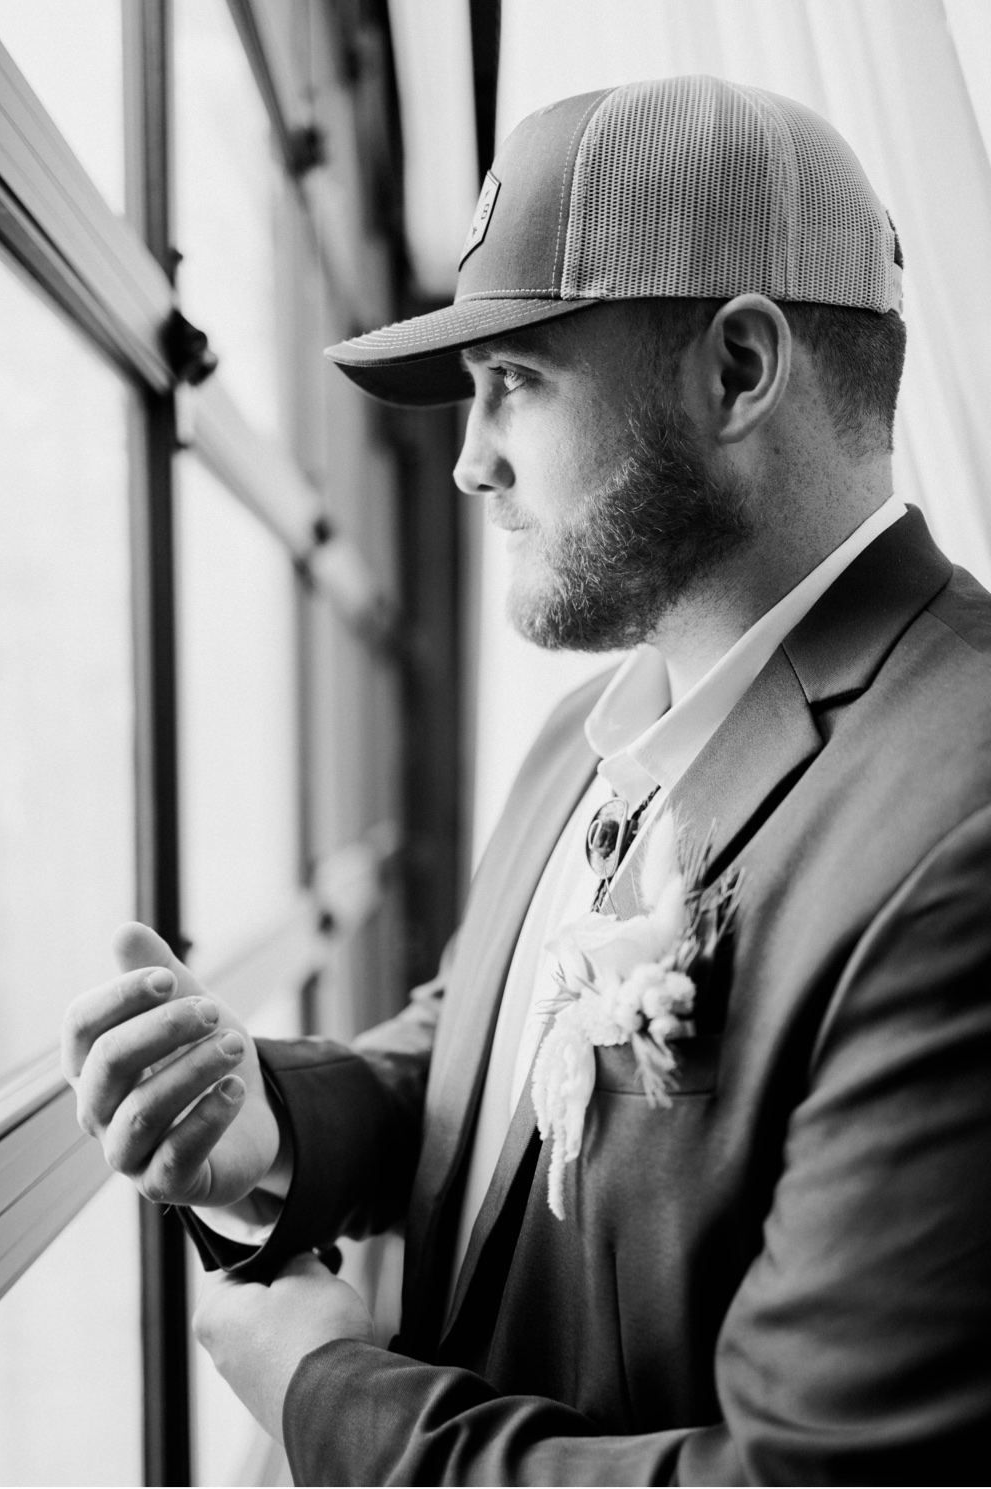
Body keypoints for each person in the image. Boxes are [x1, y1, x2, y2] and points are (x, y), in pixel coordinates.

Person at [62, 74, 991, 1483]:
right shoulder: (584, 734)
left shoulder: (963, 819)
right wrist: (268, 1119)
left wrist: (326, 1389)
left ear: (739, 370)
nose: (467, 463)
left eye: (516, 384)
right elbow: (481, 1048)